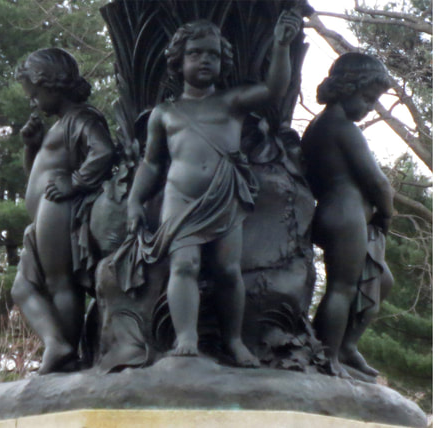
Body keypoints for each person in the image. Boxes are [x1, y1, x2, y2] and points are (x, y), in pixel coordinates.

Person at [125, 13, 300, 367]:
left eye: (213, 55)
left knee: (227, 269)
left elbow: (273, 89)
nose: (205, 60)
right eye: (195, 53)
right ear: (178, 60)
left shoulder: (231, 101)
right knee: (185, 264)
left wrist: (282, 45)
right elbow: (152, 164)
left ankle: (234, 341)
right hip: (181, 197)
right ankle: (186, 335)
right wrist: (134, 200)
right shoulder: (164, 113)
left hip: (225, 195)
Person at [11, 47, 116, 373]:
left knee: (61, 283)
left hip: (61, 206)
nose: (33, 102)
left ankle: (65, 353)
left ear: (53, 85)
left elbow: (104, 151)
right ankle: (58, 344)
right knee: (21, 287)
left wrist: (75, 182)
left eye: (35, 94)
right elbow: (35, 177)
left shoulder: (82, 118)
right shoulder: (59, 126)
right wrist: (31, 147)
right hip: (47, 209)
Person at [301, 53, 394, 379]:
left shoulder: (317, 127)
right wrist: (387, 212)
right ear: (346, 88)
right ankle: (327, 357)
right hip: (345, 212)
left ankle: (346, 346)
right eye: (368, 98)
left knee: (381, 280)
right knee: (342, 288)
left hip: (333, 211)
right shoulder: (340, 127)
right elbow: (377, 181)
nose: (370, 107)